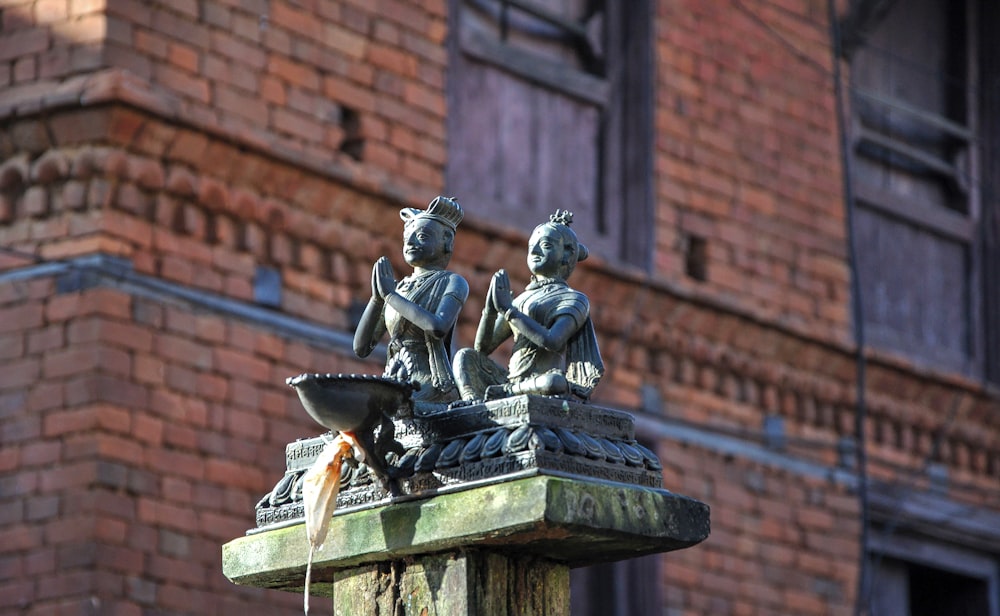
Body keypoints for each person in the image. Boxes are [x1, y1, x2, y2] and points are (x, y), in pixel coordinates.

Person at [453, 210, 603, 401]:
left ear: (567, 254)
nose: (534, 251)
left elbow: (553, 341)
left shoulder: (574, 299)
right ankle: (472, 401)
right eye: (532, 246)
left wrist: (509, 311)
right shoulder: (521, 299)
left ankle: (507, 393)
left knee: (554, 383)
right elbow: (483, 348)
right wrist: (491, 308)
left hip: (542, 381)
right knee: (466, 357)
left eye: (545, 245)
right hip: (510, 380)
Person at [353, 196, 469, 409]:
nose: (411, 243)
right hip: (395, 377)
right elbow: (361, 348)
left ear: (447, 241)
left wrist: (390, 297)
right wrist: (377, 299)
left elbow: (437, 327)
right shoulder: (397, 290)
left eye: (422, 236)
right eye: (407, 238)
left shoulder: (452, 282)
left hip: (429, 384)